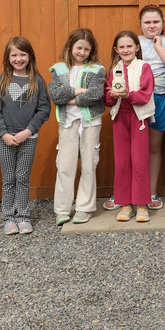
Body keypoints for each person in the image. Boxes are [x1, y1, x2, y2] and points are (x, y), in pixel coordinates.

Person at [0, 37, 51, 235]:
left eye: (22, 54)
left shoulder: (37, 82)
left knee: (22, 177)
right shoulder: (0, 82)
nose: (18, 58)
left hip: (28, 139)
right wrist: (3, 134)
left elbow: (43, 109)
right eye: (14, 54)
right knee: (9, 179)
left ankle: (23, 216)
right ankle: (9, 217)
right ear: (7, 57)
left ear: (30, 56)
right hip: (6, 140)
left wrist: (28, 131)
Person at [48, 28, 105, 226]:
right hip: (67, 122)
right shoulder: (59, 69)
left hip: (90, 122)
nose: (82, 53)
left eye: (86, 50)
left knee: (89, 164)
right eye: (79, 48)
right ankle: (62, 209)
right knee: (65, 165)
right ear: (70, 46)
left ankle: (84, 207)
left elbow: (96, 94)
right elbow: (55, 96)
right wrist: (80, 91)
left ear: (91, 51)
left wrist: (69, 98)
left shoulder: (97, 69)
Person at [105, 30, 155, 222]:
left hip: (138, 118)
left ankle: (142, 204)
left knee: (140, 161)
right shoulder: (113, 70)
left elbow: (145, 94)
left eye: (129, 46)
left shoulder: (144, 67)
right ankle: (126, 204)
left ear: (137, 48)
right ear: (116, 50)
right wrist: (112, 95)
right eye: (122, 47)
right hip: (120, 118)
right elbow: (107, 99)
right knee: (122, 162)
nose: (126, 50)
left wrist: (128, 95)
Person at [134, 5, 165, 211]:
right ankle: (131, 192)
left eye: (156, 22)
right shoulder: (133, 42)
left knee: (154, 147)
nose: (152, 26)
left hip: (160, 98)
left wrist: (159, 46)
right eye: (147, 22)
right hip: (136, 99)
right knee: (133, 148)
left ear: (162, 23)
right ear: (140, 24)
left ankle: (151, 191)